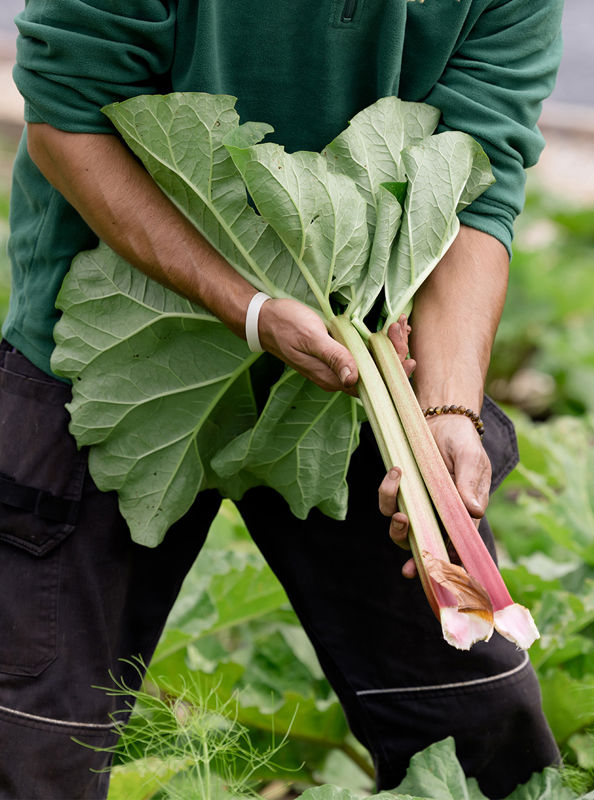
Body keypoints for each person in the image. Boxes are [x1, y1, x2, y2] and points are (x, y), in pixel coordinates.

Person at [0, 1, 565, 797]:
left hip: (359, 370)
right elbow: (67, 122)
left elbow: (479, 190)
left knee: (479, 734)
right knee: (26, 743)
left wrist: (447, 413)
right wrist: (250, 308)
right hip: (111, 356)